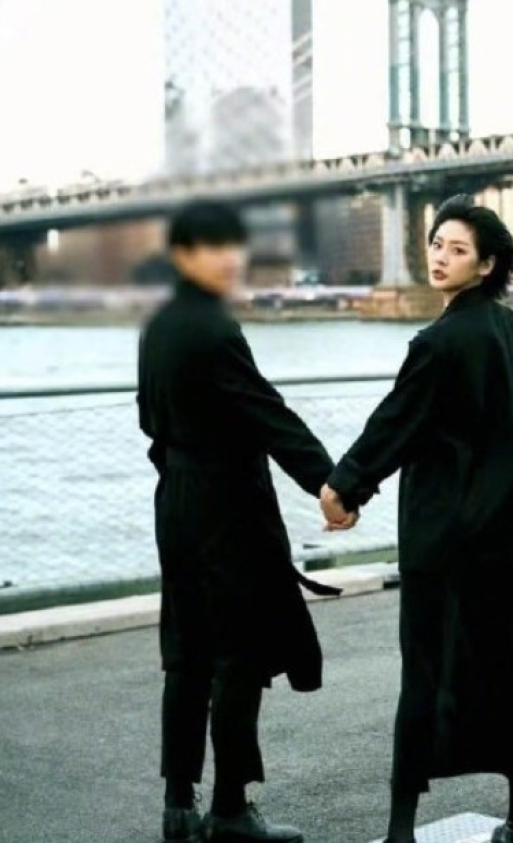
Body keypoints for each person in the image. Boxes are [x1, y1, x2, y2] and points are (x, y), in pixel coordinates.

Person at [321, 195, 513, 843]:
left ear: (486, 265)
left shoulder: (439, 342)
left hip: (442, 542)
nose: (441, 257)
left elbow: (398, 423)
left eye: (458, 250)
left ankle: (401, 829)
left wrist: (345, 487)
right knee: (508, 673)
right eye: (436, 244)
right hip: (501, 537)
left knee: (425, 676)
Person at [137, 200, 360, 843]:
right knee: (238, 655)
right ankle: (231, 809)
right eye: (214, 247)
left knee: (187, 651)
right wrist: (331, 483)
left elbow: (149, 415)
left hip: (176, 501)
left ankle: (178, 805)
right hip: (226, 508)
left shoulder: (158, 323)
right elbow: (268, 414)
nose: (230, 259)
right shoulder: (214, 329)